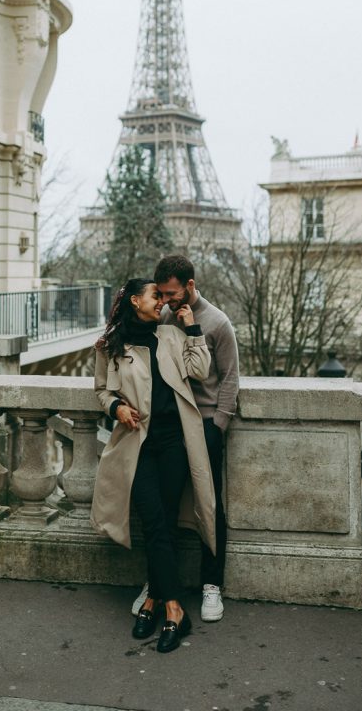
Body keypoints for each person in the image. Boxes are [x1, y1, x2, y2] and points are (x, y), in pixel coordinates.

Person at [90, 277, 216, 654]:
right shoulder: (110, 345)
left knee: (165, 522)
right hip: (138, 442)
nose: (161, 301)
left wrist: (192, 328)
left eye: (163, 296)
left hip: (175, 443)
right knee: (153, 519)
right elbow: (101, 390)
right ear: (135, 301)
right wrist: (117, 407)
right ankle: (175, 608)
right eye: (154, 296)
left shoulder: (172, 336)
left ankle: (154, 601)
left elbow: (201, 371)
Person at [131, 254, 239, 623]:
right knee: (165, 507)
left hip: (205, 425)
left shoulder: (217, 322)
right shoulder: (161, 317)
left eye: (172, 293)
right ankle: (159, 584)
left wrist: (218, 427)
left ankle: (212, 585)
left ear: (190, 286)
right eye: (160, 293)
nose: (165, 300)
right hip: (172, 427)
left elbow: (229, 379)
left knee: (209, 507)